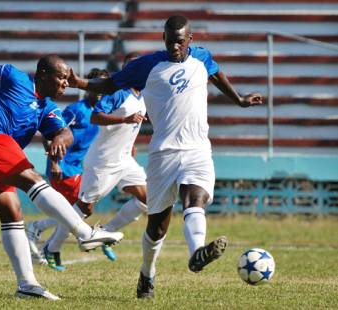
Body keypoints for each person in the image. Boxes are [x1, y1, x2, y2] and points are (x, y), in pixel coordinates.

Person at [67, 15, 263, 299]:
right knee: (157, 227)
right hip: (163, 154)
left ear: (190, 40)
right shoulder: (147, 65)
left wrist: (240, 99)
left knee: (194, 198)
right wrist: (80, 83)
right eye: (170, 41)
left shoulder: (202, 58)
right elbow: (110, 85)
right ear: (163, 39)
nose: (174, 47)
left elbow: (216, 73)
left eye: (180, 41)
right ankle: (147, 275)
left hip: (197, 150)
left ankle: (197, 252)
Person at [0, 55, 123, 301]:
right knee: (32, 178)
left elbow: (65, 131)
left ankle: (27, 285)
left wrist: (61, 137)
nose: (65, 83)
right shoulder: (13, 76)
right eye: (61, 77)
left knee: (12, 212)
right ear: (43, 75)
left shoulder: (47, 108)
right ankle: (85, 233)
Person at [43, 52, 148, 270]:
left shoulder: (142, 94)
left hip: (125, 159)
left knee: (148, 198)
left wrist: (131, 142)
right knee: (84, 208)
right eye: (131, 66)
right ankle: (51, 247)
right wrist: (125, 119)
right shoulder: (118, 91)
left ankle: (107, 231)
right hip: (103, 161)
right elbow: (95, 116)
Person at [25, 68, 113, 268]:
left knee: (79, 209)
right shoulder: (77, 110)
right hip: (63, 167)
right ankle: (42, 234)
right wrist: (55, 162)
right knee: (81, 208)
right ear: (88, 87)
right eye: (95, 85)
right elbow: (52, 133)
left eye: (103, 86)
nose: (99, 91)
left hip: (78, 168)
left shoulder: (102, 112)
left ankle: (37, 229)